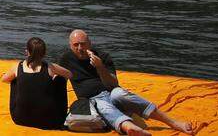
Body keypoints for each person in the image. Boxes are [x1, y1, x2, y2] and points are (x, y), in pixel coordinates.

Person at [59, 30, 197, 135]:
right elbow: (57, 78)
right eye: (75, 45)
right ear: (70, 46)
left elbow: (112, 84)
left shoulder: (103, 56)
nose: (79, 48)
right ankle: (130, 128)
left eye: (82, 44)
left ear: (89, 43)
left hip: (110, 91)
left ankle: (173, 122)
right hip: (92, 100)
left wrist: (100, 67)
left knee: (120, 94)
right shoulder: (66, 59)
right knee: (103, 105)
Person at [0, 37, 71, 129]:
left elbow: (4, 80)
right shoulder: (50, 67)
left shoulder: (18, 67)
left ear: (27, 52)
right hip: (49, 121)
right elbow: (69, 74)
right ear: (44, 53)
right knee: (60, 79)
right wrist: (55, 79)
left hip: (20, 118)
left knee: (14, 80)